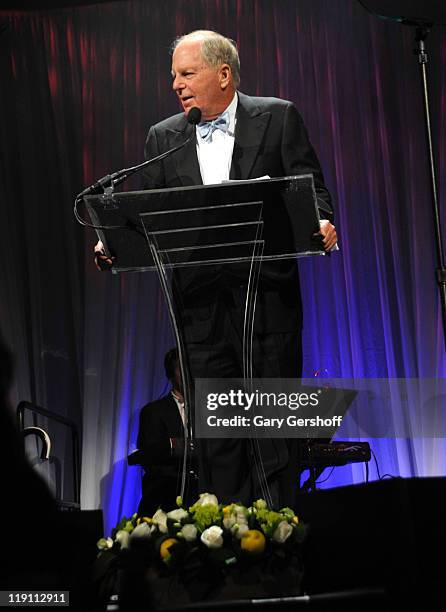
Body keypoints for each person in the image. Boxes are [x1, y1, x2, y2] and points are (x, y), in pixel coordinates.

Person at [97, 30, 337, 508]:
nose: (176, 86)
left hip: (267, 303)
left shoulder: (278, 117)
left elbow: (313, 192)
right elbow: (151, 218)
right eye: (173, 77)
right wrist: (114, 242)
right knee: (221, 441)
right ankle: (228, 545)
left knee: (271, 428)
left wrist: (324, 221)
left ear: (224, 74)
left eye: (187, 74)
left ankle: (280, 537)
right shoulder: (163, 137)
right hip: (200, 310)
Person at [133, 347, 197, 515]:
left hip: (204, 497)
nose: (187, 373)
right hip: (166, 499)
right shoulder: (153, 411)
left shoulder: (210, 410)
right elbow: (152, 455)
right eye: (180, 368)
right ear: (170, 374)